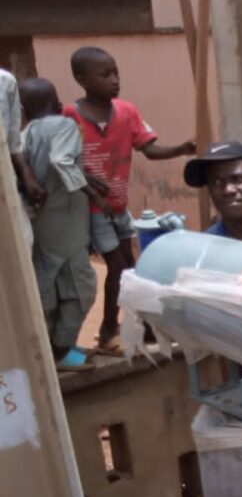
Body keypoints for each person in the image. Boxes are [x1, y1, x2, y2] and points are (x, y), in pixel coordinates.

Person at [63, 46, 195, 355]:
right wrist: (90, 187)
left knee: (133, 266)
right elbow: (63, 161)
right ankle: (108, 329)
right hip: (92, 209)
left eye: (116, 73)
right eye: (105, 74)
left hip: (118, 206)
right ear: (81, 79)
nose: (114, 80)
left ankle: (141, 324)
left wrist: (182, 148)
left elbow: (149, 148)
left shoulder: (127, 112)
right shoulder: (70, 116)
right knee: (119, 267)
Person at [20, 77, 100, 371]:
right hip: (66, 226)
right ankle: (60, 349)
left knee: (48, 287)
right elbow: (61, 160)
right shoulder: (65, 125)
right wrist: (89, 191)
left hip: (41, 226)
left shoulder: (25, 135)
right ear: (57, 103)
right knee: (82, 288)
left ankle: (51, 350)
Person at [2, 67, 45, 244]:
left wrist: (28, 176)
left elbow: (13, 143)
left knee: (21, 243)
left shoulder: (5, 82)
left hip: (4, 182)